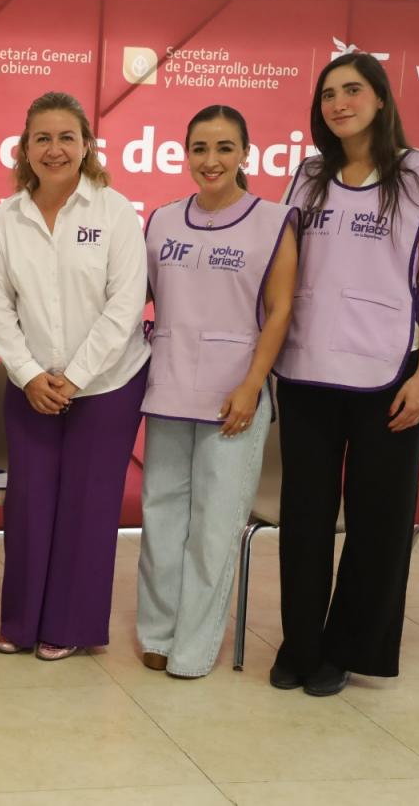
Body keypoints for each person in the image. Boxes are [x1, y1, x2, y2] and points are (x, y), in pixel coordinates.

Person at [271, 52, 419, 696]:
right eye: (327, 94)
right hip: (307, 370)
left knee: (378, 521)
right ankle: (300, 644)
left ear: (380, 98)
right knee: (304, 517)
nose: (338, 103)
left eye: (352, 90)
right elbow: (283, 270)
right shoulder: (308, 176)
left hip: (390, 371)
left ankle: (345, 650)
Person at [0, 91, 149, 660]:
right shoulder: (7, 218)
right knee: (28, 505)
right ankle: (22, 620)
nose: (54, 149)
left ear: (86, 146)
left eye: (66, 138)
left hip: (107, 385)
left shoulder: (114, 212)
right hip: (30, 386)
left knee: (88, 507)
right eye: (42, 138)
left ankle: (69, 625)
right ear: (24, 148)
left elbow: (124, 307)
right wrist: (29, 375)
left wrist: (73, 378)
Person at [136, 105, 298, 678]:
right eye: (200, 148)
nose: (211, 160)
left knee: (213, 527)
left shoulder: (273, 221)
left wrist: (252, 386)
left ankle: (195, 646)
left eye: (225, 148)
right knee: (161, 519)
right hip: (169, 389)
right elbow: (137, 297)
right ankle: (157, 631)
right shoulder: (162, 221)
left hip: (234, 397)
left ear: (245, 154)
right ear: (185, 153)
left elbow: (280, 310)